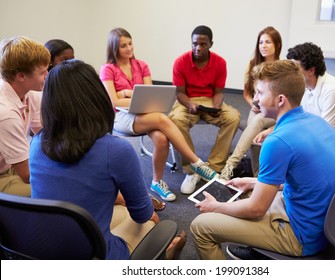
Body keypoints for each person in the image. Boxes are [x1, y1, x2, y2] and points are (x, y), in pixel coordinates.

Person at [29, 59, 187, 260]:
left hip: (43, 251)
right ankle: (161, 257)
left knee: (118, 209)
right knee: (149, 221)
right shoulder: (116, 150)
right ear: (96, 96)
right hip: (95, 257)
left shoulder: (36, 143)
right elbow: (142, 213)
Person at [190, 60, 335, 260]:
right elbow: (307, 179)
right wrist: (252, 181)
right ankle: (260, 250)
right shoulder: (318, 122)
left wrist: (215, 208)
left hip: (302, 237)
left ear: (280, 99)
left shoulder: (276, 141)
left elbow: (256, 209)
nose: (255, 99)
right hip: (327, 226)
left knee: (201, 227)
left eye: (261, 93)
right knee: (247, 192)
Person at [100, 27, 217, 202]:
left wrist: (126, 93)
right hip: (121, 117)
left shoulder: (142, 65)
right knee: (163, 118)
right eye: (123, 45)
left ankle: (156, 182)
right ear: (114, 48)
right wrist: (128, 96)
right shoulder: (107, 69)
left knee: (162, 139)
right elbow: (114, 103)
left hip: (145, 112)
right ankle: (196, 162)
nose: (129, 48)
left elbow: (150, 95)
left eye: (130, 43)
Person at [168, 25, 241, 194]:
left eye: (203, 44)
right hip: (186, 100)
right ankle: (193, 169)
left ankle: (214, 167)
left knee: (233, 117)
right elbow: (179, 93)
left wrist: (216, 107)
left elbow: (218, 93)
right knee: (175, 120)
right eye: (194, 44)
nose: (198, 48)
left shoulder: (220, 62)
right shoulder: (180, 62)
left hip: (209, 100)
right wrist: (189, 105)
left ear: (210, 44)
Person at [219, 26, 281, 181]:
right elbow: (247, 93)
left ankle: (230, 165)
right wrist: (253, 103)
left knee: (256, 122)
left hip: (275, 112)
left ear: (277, 45)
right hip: (258, 108)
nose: (263, 46)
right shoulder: (253, 64)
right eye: (261, 42)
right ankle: (257, 176)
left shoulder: (282, 68)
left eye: (268, 42)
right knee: (254, 131)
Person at [0, 36, 50, 196]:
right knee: (56, 191)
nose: (47, 75)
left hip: (10, 166)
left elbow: (46, 135)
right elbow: (27, 174)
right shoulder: (5, 112)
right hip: (5, 173)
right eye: (42, 72)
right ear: (21, 76)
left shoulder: (29, 93)